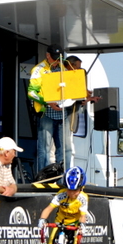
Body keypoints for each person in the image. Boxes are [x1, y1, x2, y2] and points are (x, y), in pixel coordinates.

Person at [38, 166, 89, 244]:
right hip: (60, 222)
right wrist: (42, 220)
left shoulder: (83, 197)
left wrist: (82, 226)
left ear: (81, 188)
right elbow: (48, 209)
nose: (72, 193)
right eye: (69, 190)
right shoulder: (60, 195)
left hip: (74, 224)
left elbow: (83, 216)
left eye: (75, 190)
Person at [27, 44, 72, 174]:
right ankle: (44, 178)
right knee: (45, 149)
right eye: (55, 58)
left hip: (63, 114)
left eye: (59, 58)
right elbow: (31, 93)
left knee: (66, 149)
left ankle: (64, 178)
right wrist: (47, 102)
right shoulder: (38, 70)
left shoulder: (64, 68)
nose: (57, 61)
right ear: (47, 56)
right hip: (46, 113)